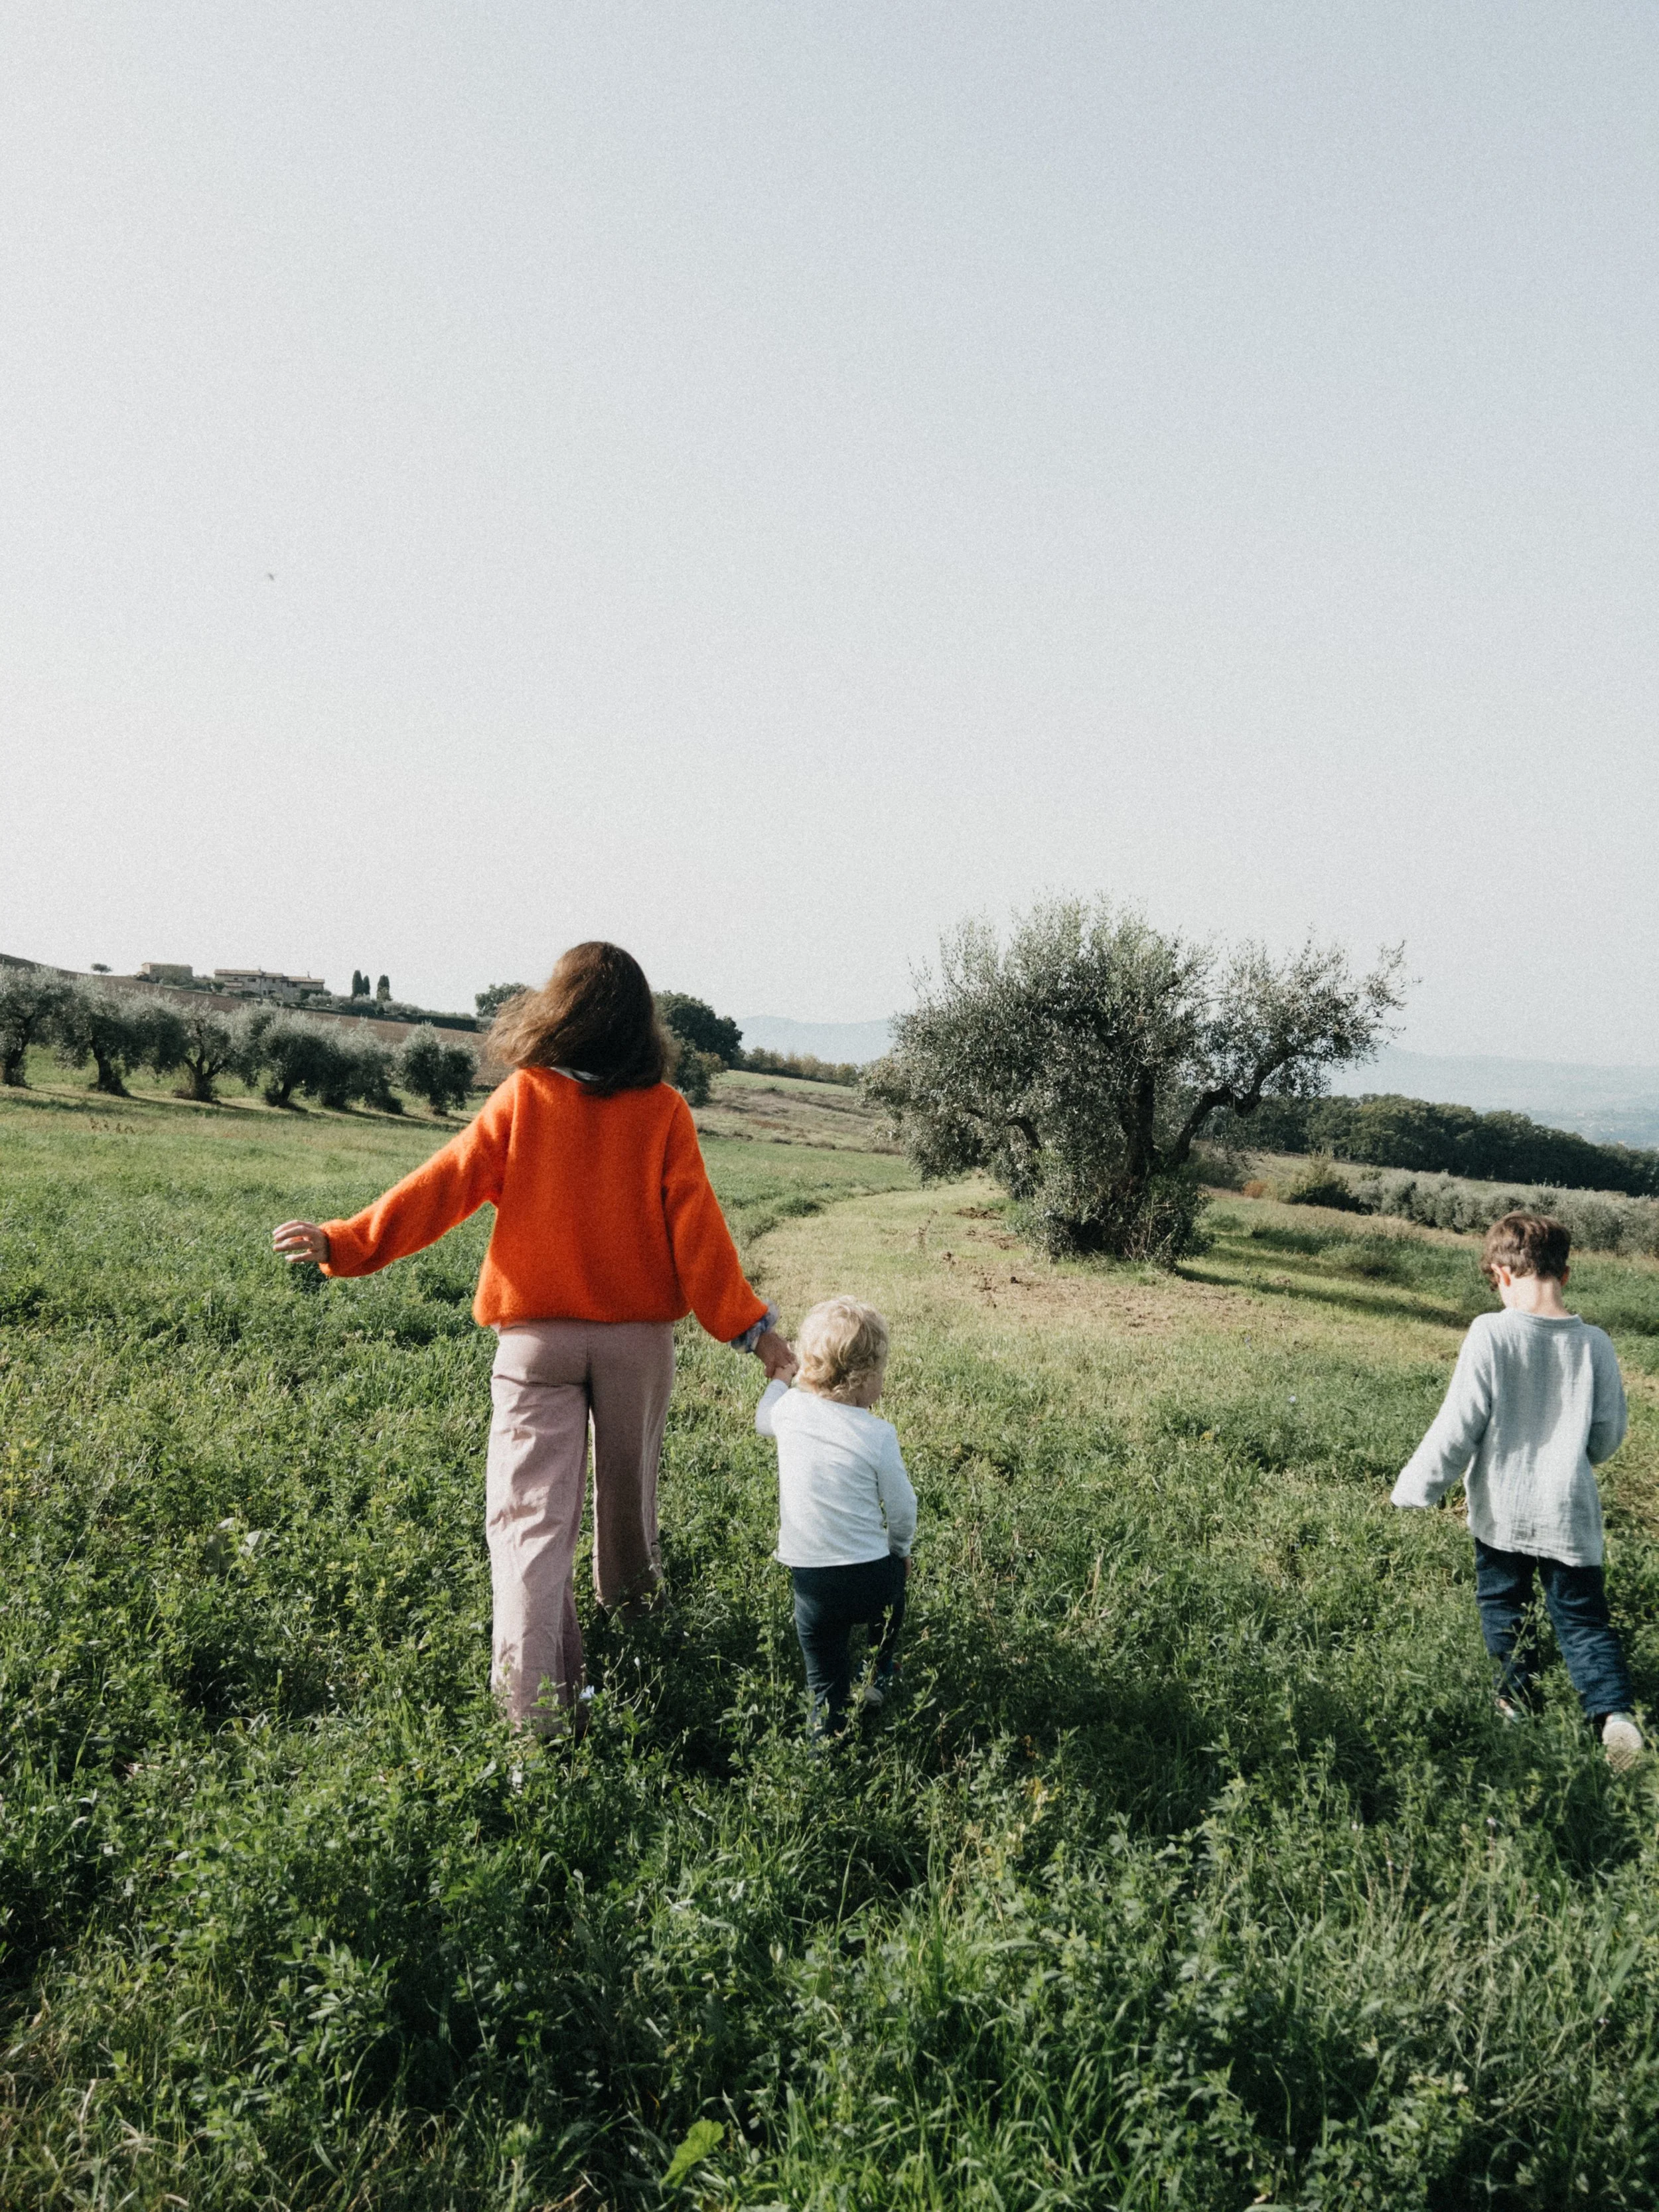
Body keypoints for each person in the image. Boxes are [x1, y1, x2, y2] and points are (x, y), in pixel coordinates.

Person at [271, 942, 795, 1733]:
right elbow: (701, 1240)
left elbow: (442, 1185)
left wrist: (346, 1242)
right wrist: (757, 1335)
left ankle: (533, 1713)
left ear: (559, 1010)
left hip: (536, 1344)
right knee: (629, 1501)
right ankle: (638, 1631)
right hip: (635, 1347)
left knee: (527, 1520)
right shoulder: (663, 1112)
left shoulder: (525, 1098)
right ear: (639, 1026)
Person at [1392, 1210, 1642, 1769]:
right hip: (1570, 1511)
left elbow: (1458, 1428)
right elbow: (1607, 1433)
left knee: (1505, 1607)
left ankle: (1515, 1700)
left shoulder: (1491, 1331)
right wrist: (1573, 1461)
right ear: (1566, 1274)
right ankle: (1614, 1717)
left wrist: (1414, 1491)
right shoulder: (1595, 1343)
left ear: (1502, 1274)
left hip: (1502, 1510)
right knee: (1583, 1621)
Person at [757, 1295, 916, 1732]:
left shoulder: (788, 1411)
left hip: (812, 1585)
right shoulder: (878, 1433)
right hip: (869, 1578)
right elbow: (903, 1507)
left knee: (825, 1684)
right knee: (896, 1582)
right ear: (865, 1379)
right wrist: (899, 1549)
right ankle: (879, 1670)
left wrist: (781, 1380)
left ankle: (823, 1762)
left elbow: (761, 1419)